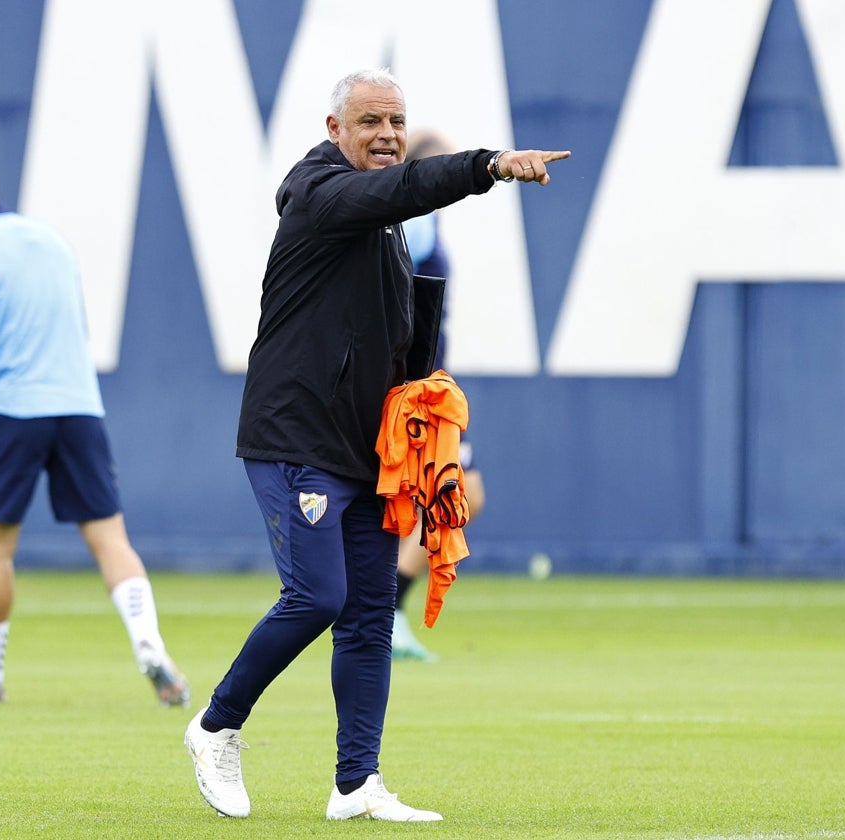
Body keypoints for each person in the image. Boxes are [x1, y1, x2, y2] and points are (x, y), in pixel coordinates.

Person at [182, 69, 568, 822]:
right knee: (319, 595)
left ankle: (357, 783)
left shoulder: (384, 227)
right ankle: (215, 725)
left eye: (396, 120)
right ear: (335, 130)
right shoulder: (320, 193)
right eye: (370, 122)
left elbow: (393, 338)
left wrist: (422, 429)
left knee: (368, 610)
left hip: (363, 450)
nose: (386, 134)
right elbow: (395, 193)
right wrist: (487, 164)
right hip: (296, 438)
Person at [0, 153, 189, 708]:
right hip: (79, 408)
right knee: (111, 539)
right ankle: (149, 644)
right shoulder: (51, 240)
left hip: (12, 409)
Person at [391, 130, 487, 662]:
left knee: (454, 498)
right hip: (424, 388)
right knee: (454, 498)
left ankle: (385, 612)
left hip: (428, 382)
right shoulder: (419, 220)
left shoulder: (418, 221)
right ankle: (385, 611)